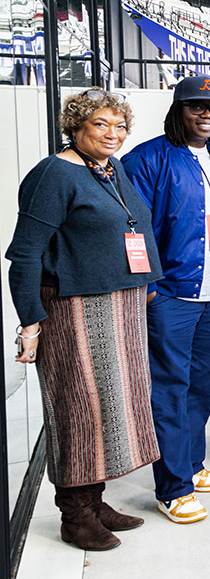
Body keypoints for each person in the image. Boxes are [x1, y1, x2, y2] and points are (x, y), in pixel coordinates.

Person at [7, 88, 161, 549]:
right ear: (75, 126)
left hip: (119, 306)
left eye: (120, 125)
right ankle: (74, 516)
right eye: (100, 124)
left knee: (109, 409)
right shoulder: (53, 174)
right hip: (73, 307)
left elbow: (132, 227)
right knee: (78, 409)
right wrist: (30, 323)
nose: (113, 134)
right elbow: (25, 255)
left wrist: (147, 282)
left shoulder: (110, 169)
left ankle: (95, 502)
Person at [122, 76, 210, 524]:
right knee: (170, 388)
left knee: (203, 383)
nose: (207, 115)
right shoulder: (147, 158)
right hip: (172, 294)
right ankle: (173, 488)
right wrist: (149, 286)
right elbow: (133, 228)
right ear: (178, 111)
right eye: (197, 107)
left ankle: (191, 462)